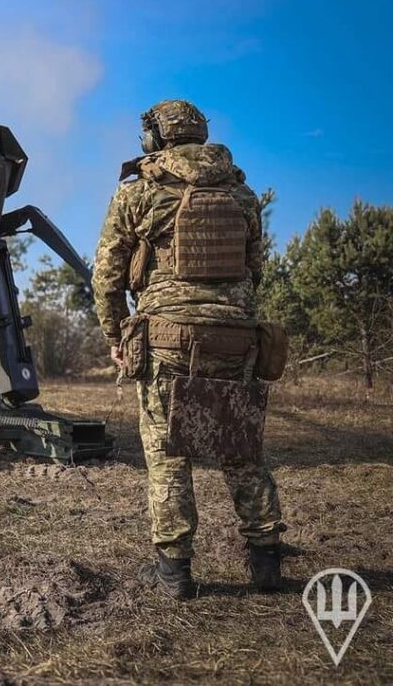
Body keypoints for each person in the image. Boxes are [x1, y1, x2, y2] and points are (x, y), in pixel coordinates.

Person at [92, 100, 285, 600]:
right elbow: (254, 268)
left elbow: (107, 277)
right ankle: (265, 560)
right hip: (235, 337)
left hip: (167, 340)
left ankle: (175, 571)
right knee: (241, 447)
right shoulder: (243, 195)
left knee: (167, 453)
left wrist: (116, 338)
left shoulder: (138, 194)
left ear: (155, 139)